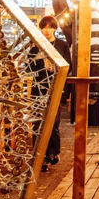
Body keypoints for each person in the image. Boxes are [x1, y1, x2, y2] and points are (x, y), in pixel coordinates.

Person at [34, 15, 71, 171]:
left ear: (55, 29)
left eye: (50, 27)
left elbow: (69, 67)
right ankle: (39, 157)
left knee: (53, 123)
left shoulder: (62, 45)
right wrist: (38, 61)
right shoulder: (35, 47)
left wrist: (56, 69)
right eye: (44, 27)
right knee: (38, 124)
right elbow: (29, 69)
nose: (47, 30)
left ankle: (53, 153)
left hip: (56, 88)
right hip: (38, 91)